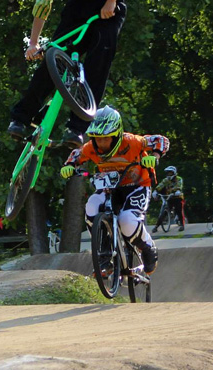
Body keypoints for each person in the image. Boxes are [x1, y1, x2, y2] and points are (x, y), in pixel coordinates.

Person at [7, 0, 136, 148]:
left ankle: (77, 129)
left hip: (111, 2)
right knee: (53, 53)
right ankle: (21, 118)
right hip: (82, 3)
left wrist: (111, 1)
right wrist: (33, 43)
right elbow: (43, 4)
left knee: (99, 59)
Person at [59, 106, 168, 275]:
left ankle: (148, 246)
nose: (101, 143)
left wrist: (155, 157)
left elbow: (161, 140)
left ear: (117, 134)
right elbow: (76, 154)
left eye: (106, 138)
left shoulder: (133, 142)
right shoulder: (91, 147)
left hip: (137, 187)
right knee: (91, 206)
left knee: (127, 221)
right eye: (97, 138)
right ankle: (104, 257)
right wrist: (69, 166)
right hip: (110, 189)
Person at [154, 165, 186, 232]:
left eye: (170, 173)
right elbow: (161, 185)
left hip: (178, 197)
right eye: (167, 173)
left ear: (174, 173)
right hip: (169, 197)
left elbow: (179, 186)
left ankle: (182, 225)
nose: (169, 174)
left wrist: (177, 191)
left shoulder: (179, 179)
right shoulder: (166, 180)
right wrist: (155, 191)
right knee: (164, 211)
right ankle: (156, 226)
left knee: (179, 209)